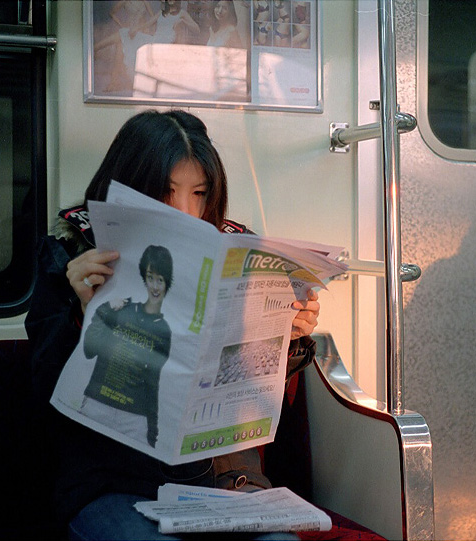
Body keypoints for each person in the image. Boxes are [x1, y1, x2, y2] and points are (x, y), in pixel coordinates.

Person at [25, 109, 319, 540]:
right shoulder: (71, 256)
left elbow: (258, 396)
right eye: (166, 192)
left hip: (225, 482)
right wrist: (84, 314)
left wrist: (285, 335)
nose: (185, 211)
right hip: (117, 485)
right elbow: (44, 393)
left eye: (199, 193)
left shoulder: (233, 251)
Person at [80, 245, 174, 448]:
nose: (155, 286)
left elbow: (153, 382)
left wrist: (152, 430)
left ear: (167, 283)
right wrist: (103, 311)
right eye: (150, 278)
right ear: (144, 279)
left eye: (160, 280)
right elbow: (89, 350)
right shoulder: (121, 308)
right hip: (97, 404)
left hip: (135, 419)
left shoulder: (165, 330)